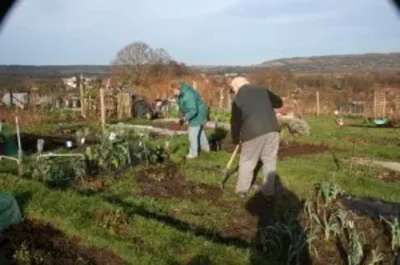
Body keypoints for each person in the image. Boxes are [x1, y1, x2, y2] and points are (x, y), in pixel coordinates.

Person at [229, 76, 283, 200]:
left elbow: (235, 122)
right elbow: (279, 102)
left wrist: (235, 139)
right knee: (269, 161)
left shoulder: (238, 99)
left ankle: (242, 190)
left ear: (236, 86)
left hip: (252, 132)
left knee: (248, 161)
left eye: (233, 89)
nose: (233, 92)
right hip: (272, 129)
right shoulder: (262, 90)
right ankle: (268, 192)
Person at [170, 80, 210, 159]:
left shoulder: (189, 95)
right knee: (200, 132)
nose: (173, 93)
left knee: (192, 133)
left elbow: (193, 110)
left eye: (174, 91)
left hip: (198, 114)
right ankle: (205, 149)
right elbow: (182, 105)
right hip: (195, 112)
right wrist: (182, 116)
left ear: (178, 88)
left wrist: (184, 118)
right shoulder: (180, 94)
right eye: (172, 91)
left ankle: (193, 153)